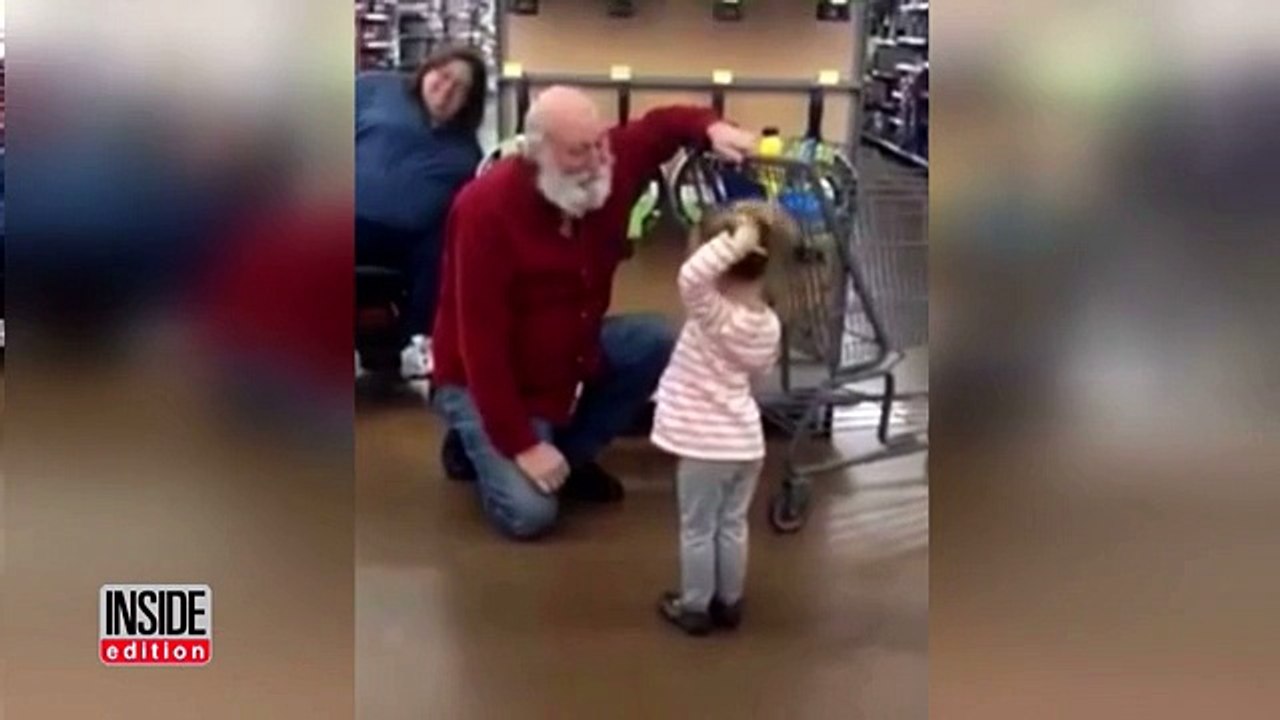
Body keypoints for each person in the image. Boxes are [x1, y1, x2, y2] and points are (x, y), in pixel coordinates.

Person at [431, 86, 756, 540]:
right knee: (530, 515)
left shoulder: (609, 165)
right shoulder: (484, 210)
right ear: (535, 152)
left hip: (566, 353)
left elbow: (659, 127)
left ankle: (567, 457)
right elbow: (480, 344)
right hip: (483, 375)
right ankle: (476, 442)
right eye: (577, 151)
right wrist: (520, 444)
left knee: (655, 339)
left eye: (599, 142)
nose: (596, 161)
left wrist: (711, 127)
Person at [651, 201, 792, 636]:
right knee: (732, 525)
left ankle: (694, 606)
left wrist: (733, 242)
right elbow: (760, 370)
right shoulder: (768, 323)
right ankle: (729, 602)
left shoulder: (713, 314)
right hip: (745, 442)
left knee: (697, 529)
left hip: (704, 446)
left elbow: (690, 277)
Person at [355, 47, 487, 385]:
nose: (445, 91)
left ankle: (417, 344)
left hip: (412, 240)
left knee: (449, 244)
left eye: (459, 88)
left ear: (468, 102)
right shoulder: (375, 89)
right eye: (442, 77)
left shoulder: (466, 151)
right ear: (427, 71)